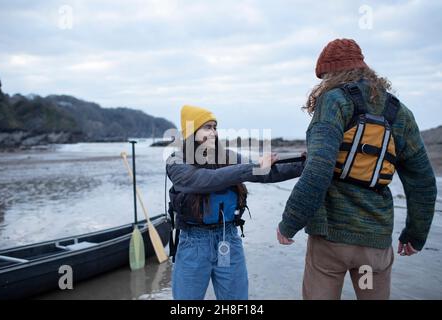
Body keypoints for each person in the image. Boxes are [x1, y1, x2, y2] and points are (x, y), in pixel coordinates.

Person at [276, 38, 437, 300]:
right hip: (375, 242)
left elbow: (318, 169)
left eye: (324, 76)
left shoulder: (334, 101)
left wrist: (289, 222)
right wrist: (415, 234)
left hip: (330, 240)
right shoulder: (400, 113)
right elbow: (423, 182)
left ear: (331, 74)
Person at [166, 104, 305, 300]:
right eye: (207, 127)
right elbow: (205, 180)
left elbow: (266, 173)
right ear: (191, 133)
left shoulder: (229, 157)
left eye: (215, 127)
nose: (213, 132)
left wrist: (306, 163)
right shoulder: (175, 162)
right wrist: (253, 167)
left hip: (228, 239)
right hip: (193, 243)